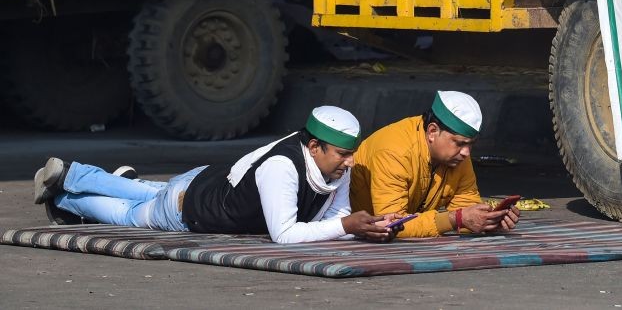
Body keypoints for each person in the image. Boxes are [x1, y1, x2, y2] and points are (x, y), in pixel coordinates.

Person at [32, 106, 400, 244]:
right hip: (186, 208)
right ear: (316, 146)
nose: (351, 162)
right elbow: (285, 234)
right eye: (343, 154)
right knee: (131, 213)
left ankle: (72, 174)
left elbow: (336, 216)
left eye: (352, 153)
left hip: (201, 181)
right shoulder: (282, 168)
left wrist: (361, 226)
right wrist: (348, 227)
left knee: (145, 190)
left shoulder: (333, 165)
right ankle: (64, 197)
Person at [349, 90, 520, 238]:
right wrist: (456, 219)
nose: (466, 153)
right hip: (352, 230)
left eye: (471, 144)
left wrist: (488, 221)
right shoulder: (393, 152)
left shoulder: (458, 156)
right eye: (459, 143)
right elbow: (392, 225)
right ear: (432, 131)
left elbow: (466, 208)